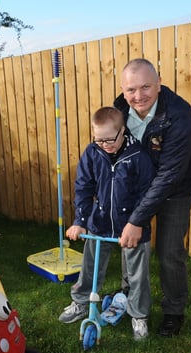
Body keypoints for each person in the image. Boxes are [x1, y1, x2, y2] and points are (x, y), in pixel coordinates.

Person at [113, 58, 191, 337]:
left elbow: (169, 175)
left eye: (145, 87)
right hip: (136, 188)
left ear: (159, 83)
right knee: (130, 244)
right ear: (123, 90)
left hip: (175, 189)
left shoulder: (179, 116)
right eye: (131, 90)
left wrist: (137, 218)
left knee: (169, 252)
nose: (138, 96)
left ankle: (174, 310)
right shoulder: (119, 109)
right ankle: (128, 295)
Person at [58, 107, 155, 340]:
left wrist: (137, 222)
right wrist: (81, 221)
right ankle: (81, 303)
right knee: (90, 266)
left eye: (110, 139)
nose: (105, 144)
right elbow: (83, 187)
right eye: (99, 139)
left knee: (136, 274)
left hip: (131, 225)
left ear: (123, 130)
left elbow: (146, 194)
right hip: (100, 222)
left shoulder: (138, 156)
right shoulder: (92, 153)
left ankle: (138, 315)